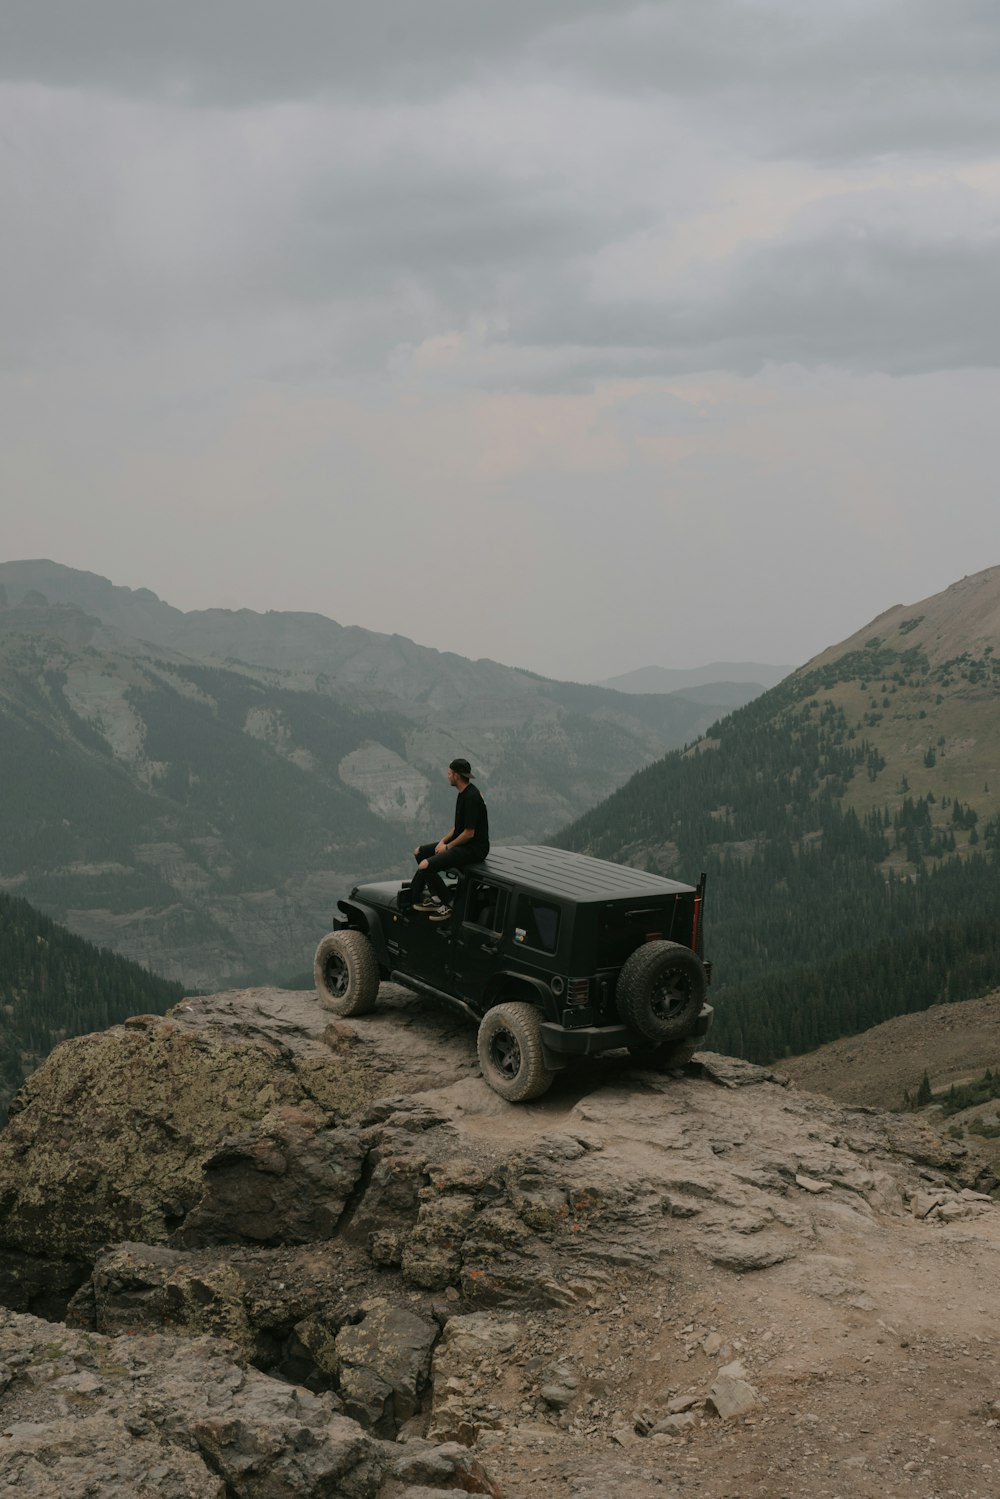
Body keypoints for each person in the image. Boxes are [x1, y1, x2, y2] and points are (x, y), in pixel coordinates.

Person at [409, 758, 490, 920]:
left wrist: (448, 847)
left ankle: (449, 903)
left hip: (474, 849)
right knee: (419, 852)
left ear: (457, 776)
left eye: (449, 773)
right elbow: (457, 828)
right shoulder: (463, 794)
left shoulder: (471, 797)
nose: (447, 776)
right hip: (463, 843)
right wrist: (442, 842)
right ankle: (435, 897)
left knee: (426, 866)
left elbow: (469, 833)